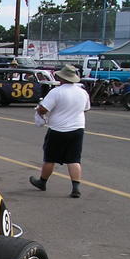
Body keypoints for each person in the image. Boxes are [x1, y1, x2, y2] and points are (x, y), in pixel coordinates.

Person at [29, 64, 90, 199]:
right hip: (77, 128)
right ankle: (76, 187)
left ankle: (42, 182)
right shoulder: (83, 92)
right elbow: (86, 109)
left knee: (50, 158)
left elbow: (44, 109)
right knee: (74, 159)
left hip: (58, 129)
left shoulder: (57, 92)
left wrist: (39, 111)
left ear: (61, 78)